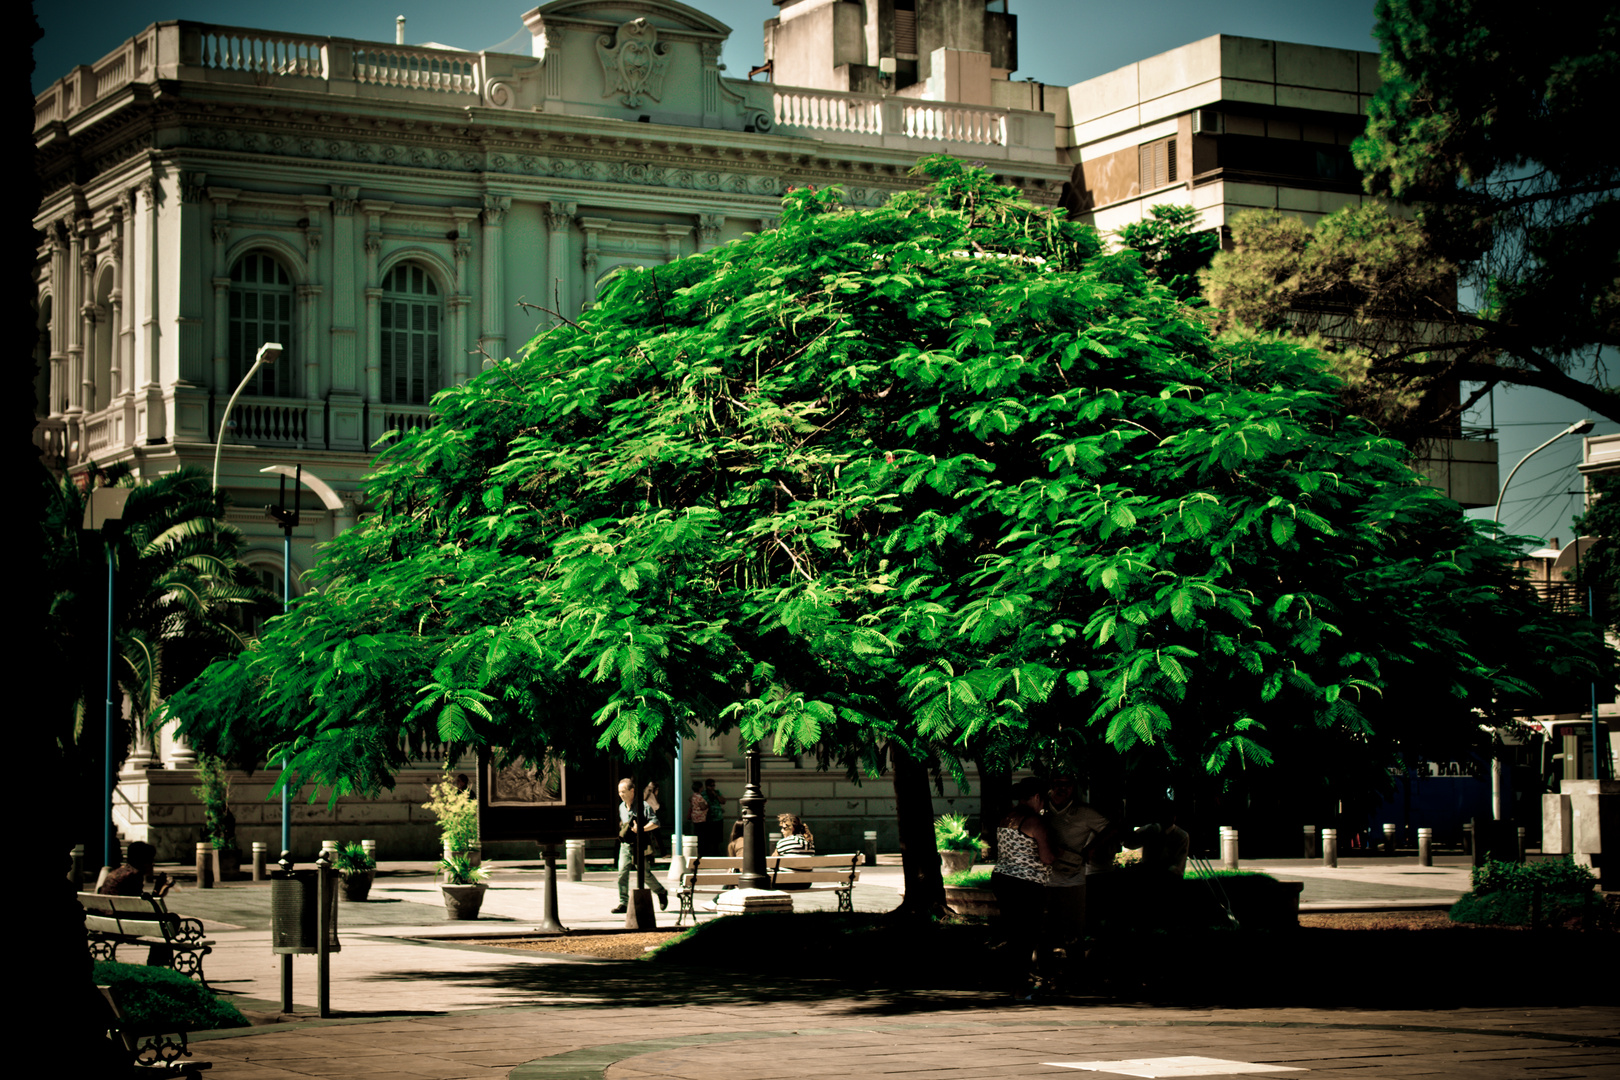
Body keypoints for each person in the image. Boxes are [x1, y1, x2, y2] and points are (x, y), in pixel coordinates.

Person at [1042, 776, 1110, 989]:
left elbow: (1110, 828)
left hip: (1073, 880)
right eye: (1057, 784)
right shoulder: (1041, 811)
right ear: (1050, 786)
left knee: (1074, 931)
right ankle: (1044, 974)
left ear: (1073, 788)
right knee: (1043, 930)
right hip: (1042, 880)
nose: (1061, 788)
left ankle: (1077, 976)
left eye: (1067, 785)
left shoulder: (1085, 813)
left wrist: (1091, 848)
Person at [991, 777, 1054, 997]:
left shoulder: (1008, 816)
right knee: (1026, 935)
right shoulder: (1035, 821)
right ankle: (1019, 986)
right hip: (1027, 883)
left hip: (1003, 878)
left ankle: (1012, 983)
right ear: (1038, 797)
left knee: (1014, 933)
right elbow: (1047, 857)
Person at [613, 778, 668, 914]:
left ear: (632, 791)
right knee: (622, 874)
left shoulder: (643, 806)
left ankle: (661, 892)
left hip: (639, 846)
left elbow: (655, 823)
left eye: (623, 791)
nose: (620, 794)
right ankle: (623, 902)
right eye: (619, 791)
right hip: (625, 846)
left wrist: (641, 829)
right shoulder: (621, 807)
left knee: (644, 874)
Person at [97, 841, 173, 898]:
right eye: (150, 860)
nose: (152, 864)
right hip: (123, 915)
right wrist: (160, 888)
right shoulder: (134, 876)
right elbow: (144, 907)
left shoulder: (118, 871)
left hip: (109, 913)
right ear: (141, 861)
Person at [688, 780, 710, 856]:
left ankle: (699, 850)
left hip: (695, 817)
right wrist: (708, 805)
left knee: (697, 834)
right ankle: (701, 851)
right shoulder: (699, 797)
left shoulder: (693, 796)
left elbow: (690, 800)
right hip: (700, 818)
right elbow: (702, 807)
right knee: (701, 835)